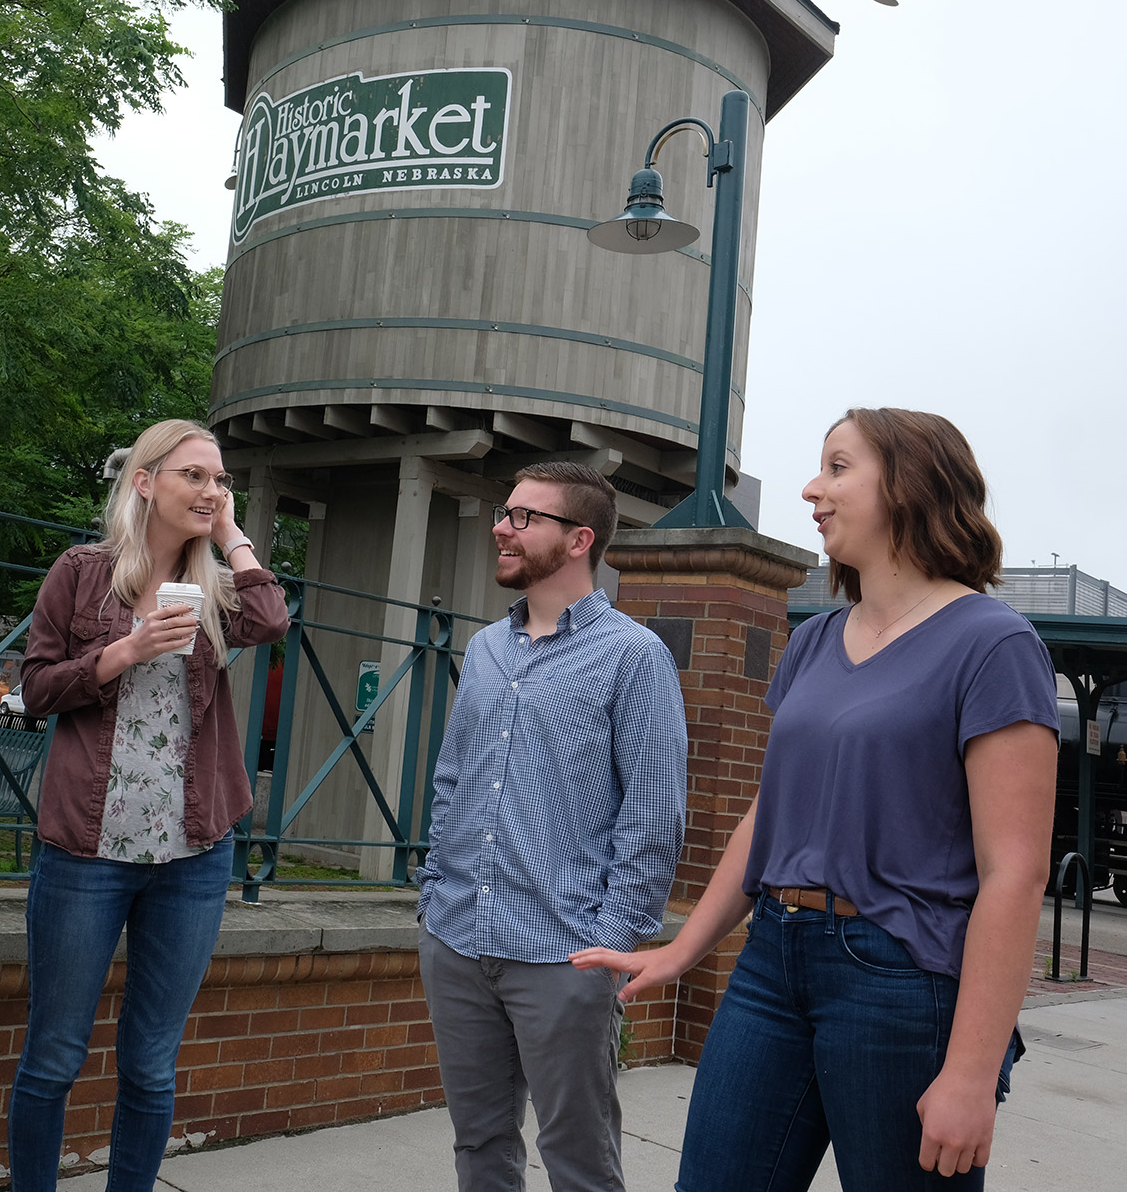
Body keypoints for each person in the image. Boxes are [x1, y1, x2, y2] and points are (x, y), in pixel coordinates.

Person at [572, 408, 1059, 1191]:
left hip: (902, 979)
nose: (812, 489)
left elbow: (1016, 873)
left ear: (909, 483)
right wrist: (684, 946)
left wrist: (970, 1071)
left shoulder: (993, 644)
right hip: (771, 960)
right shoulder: (813, 640)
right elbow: (770, 813)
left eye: (837, 467)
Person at [8, 418, 290, 1192]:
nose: (211, 489)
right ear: (144, 481)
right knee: (54, 1056)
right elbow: (34, 689)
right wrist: (123, 651)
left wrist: (230, 532)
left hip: (193, 856)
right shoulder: (81, 572)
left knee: (151, 1063)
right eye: (194, 475)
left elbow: (273, 619)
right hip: (85, 852)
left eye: (221, 479)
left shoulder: (218, 591)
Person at [418, 461, 687, 1192]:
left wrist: (612, 937)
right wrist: (435, 890)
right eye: (506, 512)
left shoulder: (634, 656)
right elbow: (453, 778)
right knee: (478, 1143)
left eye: (523, 516)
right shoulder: (484, 649)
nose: (502, 527)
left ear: (578, 540)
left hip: (564, 956)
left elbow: (655, 815)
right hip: (457, 937)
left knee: (580, 1157)